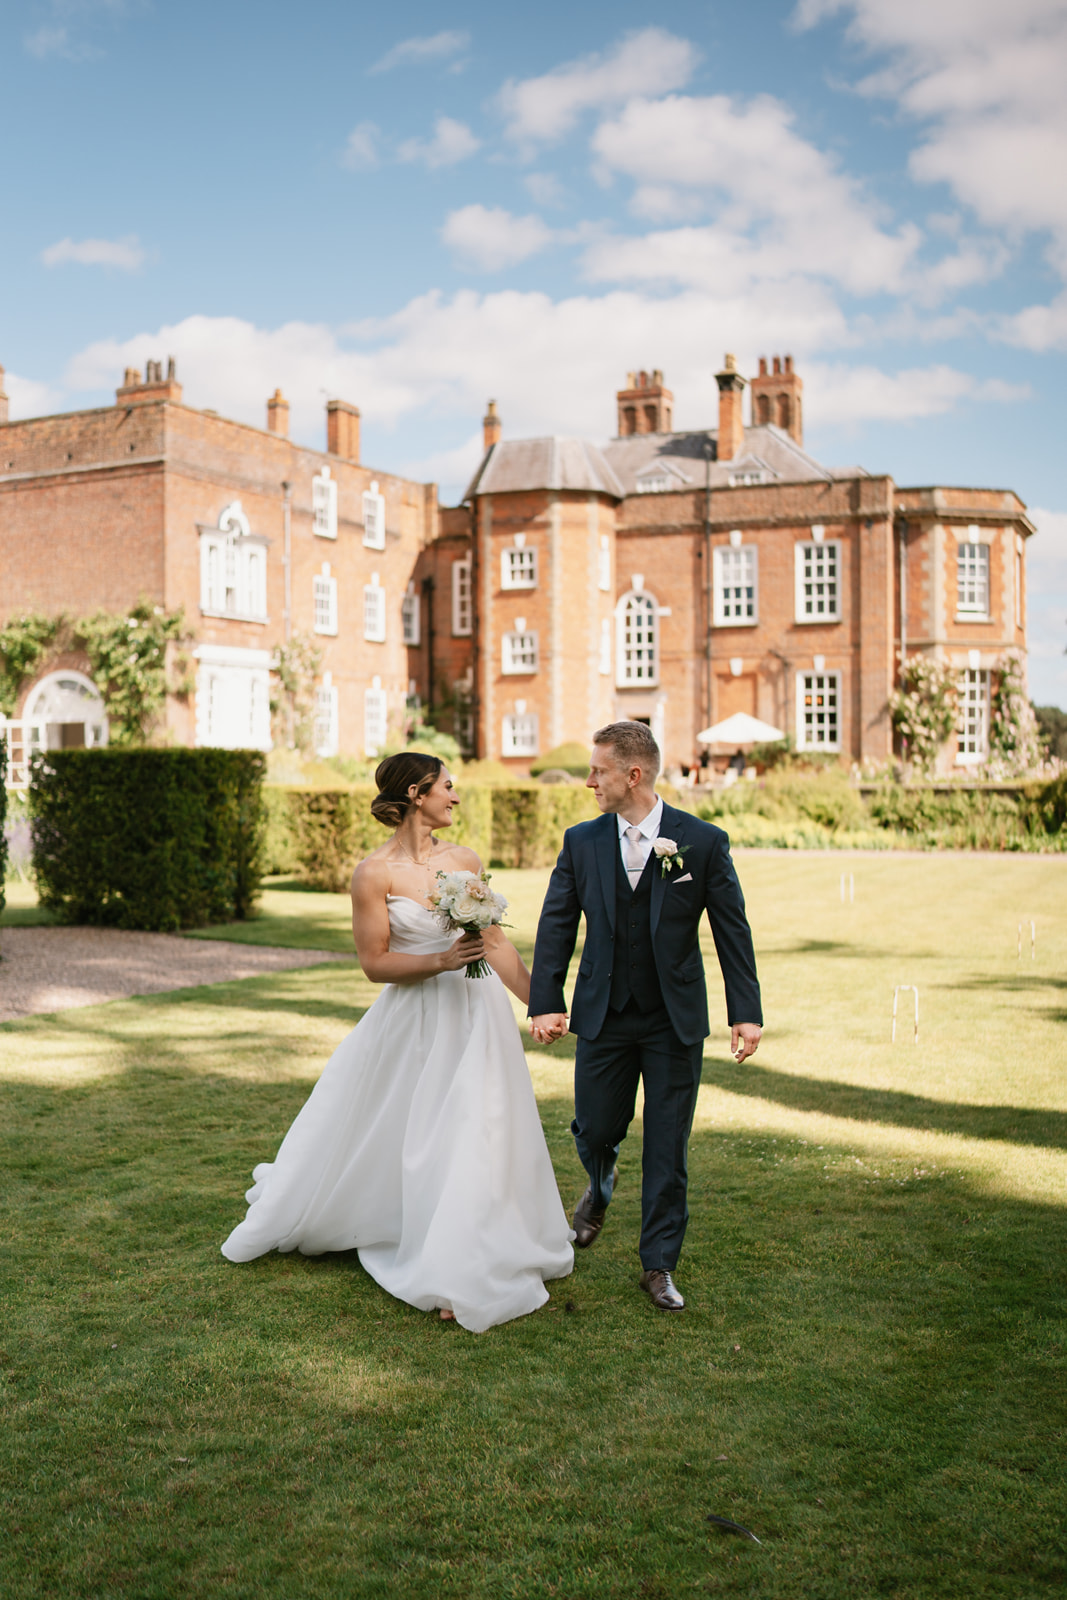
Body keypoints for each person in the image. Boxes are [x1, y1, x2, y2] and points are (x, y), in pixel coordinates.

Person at [221, 752, 574, 1332]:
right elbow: (374, 963)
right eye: (447, 787)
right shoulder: (374, 874)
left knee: (478, 1125)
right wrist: (440, 960)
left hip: (477, 1018)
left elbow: (496, 944)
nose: (456, 796)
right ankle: (434, 1253)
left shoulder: (466, 861)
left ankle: (476, 1247)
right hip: (418, 1022)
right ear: (416, 793)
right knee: (429, 1131)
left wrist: (541, 1005)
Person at [529, 721, 762, 1313]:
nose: (589, 782)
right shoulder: (581, 842)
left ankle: (658, 1265)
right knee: (594, 1126)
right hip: (602, 1015)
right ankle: (600, 1180)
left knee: (667, 1147)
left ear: (632, 775)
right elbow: (557, 924)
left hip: (672, 1022)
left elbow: (731, 929)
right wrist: (546, 999)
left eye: (598, 771)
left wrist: (746, 1012)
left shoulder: (702, 841)